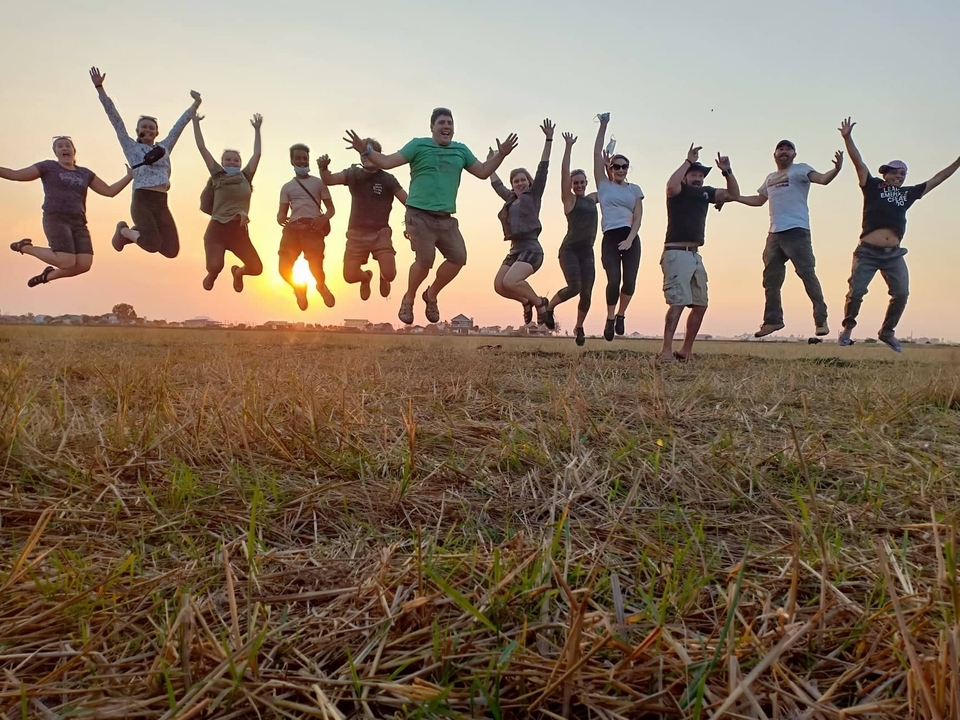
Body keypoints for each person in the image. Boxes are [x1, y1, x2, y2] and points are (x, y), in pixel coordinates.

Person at [343, 108, 518, 325]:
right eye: (442, 123)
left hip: (446, 218)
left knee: (458, 258)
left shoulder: (460, 151)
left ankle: (431, 294)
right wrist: (366, 150)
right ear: (432, 127)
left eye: (450, 123)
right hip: (419, 215)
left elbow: (482, 172)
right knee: (425, 261)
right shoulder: (418, 145)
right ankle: (409, 298)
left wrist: (501, 154)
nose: (447, 127)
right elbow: (387, 162)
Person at [837, 117, 960, 352]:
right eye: (895, 173)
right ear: (886, 174)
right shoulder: (872, 186)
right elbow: (858, 163)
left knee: (901, 293)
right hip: (867, 253)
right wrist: (847, 138)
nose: (899, 176)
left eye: (903, 173)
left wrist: (958, 161)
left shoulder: (908, 194)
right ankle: (848, 330)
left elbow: (939, 178)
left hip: (893, 254)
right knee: (857, 292)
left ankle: (887, 331)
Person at [729, 137, 843, 338]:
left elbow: (822, 179)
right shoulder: (770, 178)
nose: (784, 152)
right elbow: (758, 200)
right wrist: (735, 198)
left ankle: (821, 319)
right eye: (780, 149)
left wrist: (836, 170)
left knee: (807, 274)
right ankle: (773, 320)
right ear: (774, 155)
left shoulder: (800, 170)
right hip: (774, 234)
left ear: (794, 155)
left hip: (797, 231)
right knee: (770, 280)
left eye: (788, 149)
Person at [89, 66, 200, 259]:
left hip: (161, 202)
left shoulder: (164, 148)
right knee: (151, 244)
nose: (148, 129)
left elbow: (179, 126)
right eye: (144, 127)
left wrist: (195, 105)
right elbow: (115, 120)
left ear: (157, 132)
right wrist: (100, 88)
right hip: (142, 200)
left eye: (152, 127)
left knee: (171, 251)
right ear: (137, 130)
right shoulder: (131, 147)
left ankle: (133, 233)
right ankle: (124, 231)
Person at [4, 136, 132, 286]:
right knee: (66, 261)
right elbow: (15, 175)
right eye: (60, 146)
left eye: (67, 146)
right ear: (56, 152)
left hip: (79, 222)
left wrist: (129, 176)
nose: (64, 148)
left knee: (84, 264)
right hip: (56, 218)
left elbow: (110, 191)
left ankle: (48, 276)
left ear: (73, 151)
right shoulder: (48, 167)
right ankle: (25, 247)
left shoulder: (85, 173)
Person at [658, 145, 740, 362]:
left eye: (701, 175)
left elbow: (734, 194)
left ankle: (686, 351)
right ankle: (666, 351)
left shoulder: (706, 193)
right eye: (694, 174)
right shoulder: (678, 192)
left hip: (695, 255)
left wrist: (727, 171)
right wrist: (687, 161)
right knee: (677, 302)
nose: (698, 178)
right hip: (676, 252)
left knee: (700, 303)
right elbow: (670, 185)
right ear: (685, 177)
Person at [318, 140, 407, 300]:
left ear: (379, 156)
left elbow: (407, 201)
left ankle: (383, 276)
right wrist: (323, 168)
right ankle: (366, 278)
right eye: (362, 153)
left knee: (390, 274)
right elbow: (329, 180)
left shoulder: (388, 179)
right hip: (356, 234)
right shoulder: (354, 174)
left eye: (369, 152)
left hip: (380, 233)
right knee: (349, 276)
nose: (365, 156)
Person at [488, 119, 555, 328]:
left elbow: (543, 169)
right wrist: (492, 162)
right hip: (515, 249)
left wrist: (549, 139)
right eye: (515, 181)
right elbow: (496, 184)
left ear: (529, 182)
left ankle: (540, 303)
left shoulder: (533, 195)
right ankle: (526, 301)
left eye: (523, 179)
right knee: (500, 286)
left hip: (531, 249)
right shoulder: (509, 199)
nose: (519, 183)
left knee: (510, 281)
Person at [192, 112, 264, 292]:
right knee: (215, 266)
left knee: (256, 268)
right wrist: (195, 122)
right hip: (217, 229)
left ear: (240, 163)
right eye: (228, 159)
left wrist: (257, 130)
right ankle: (212, 275)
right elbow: (202, 148)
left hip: (238, 231)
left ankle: (238, 273)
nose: (232, 162)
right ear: (222, 162)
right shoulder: (218, 175)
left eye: (236, 160)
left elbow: (257, 154)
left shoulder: (246, 177)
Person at [545, 132, 598, 346]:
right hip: (569, 250)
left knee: (586, 293)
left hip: (588, 251)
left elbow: (608, 186)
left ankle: (579, 327)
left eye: (581, 182)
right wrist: (568, 146)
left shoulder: (594, 199)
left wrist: (605, 165)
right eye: (575, 183)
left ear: (586, 183)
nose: (578, 185)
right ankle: (549, 308)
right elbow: (564, 172)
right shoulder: (569, 201)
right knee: (574, 287)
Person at [594, 113, 644, 341]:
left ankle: (622, 314)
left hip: (630, 237)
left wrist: (631, 238)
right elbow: (596, 154)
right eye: (617, 166)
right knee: (613, 280)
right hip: (610, 237)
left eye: (625, 167)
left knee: (630, 281)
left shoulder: (634, 189)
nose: (621, 170)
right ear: (611, 168)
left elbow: (638, 218)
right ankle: (611, 317)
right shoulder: (604, 186)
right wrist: (603, 125)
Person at [277, 144, 336, 311]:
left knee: (316, 268)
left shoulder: (318, 183)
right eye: (298, 158)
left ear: (308, 160)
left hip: (312, 228)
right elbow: (281, 213)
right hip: (293, 229)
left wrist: (323, 219)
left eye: (305, 158)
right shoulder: (287, 187)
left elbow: (331, 209)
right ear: (292, 161)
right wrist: (280, 218)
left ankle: (321, 287)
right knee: (283, 269)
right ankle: (298, 288)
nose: (302, 162)